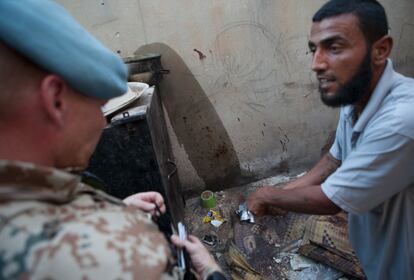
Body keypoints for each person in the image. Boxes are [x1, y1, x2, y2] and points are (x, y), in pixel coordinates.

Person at [0, 1, 224, 279]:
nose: (100, 122)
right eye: (99, 108)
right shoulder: (123, 260)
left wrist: (112, 210)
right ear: (56, 101)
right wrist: (213, 272)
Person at [247, 0, 414, 279]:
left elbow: (330, 200)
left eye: (334, 48)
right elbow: (332, 161)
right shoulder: (355, 98)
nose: (316, 64)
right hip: (378, 256)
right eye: (314, 50)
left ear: (381, 49)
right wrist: (288, 192)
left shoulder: (402, 118)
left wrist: (267, 195)